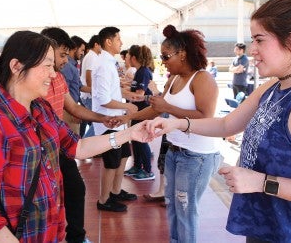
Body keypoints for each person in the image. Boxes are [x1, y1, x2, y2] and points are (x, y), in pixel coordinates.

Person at [146, 0, 291, 242]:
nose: (252, 49)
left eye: (259, 40)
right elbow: (226, 125)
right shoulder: (273, 86)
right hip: (266, 228)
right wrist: (177, 124)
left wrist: (261, 183)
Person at [0, 30, 152, 243]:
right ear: (16, 66)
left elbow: (78, 147)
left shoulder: (41, 109)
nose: (54, 73)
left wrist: (129, 133)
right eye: (47, 66)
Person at [121, 24, 221, 242]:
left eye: (166, 56)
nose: (163, 62)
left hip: (196, 156)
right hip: (175, 151)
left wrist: (167, 108)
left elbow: (206, 117)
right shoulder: (174, 79)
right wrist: (127, 118)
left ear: (182, 55)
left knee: (185, 210)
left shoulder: (203, 79)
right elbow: (158, 107)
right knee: (173, 206)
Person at [41, 27, 113, 243]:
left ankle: (76, 237)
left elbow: (73, 108)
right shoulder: (33, 82)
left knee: (75, 187)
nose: (65, 60)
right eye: (62, 55)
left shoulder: (60, 79)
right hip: (38, 149)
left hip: (57, 144)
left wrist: (102, 118)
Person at [93, 26, 139, 212]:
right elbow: (104, 99)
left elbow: (112, 90)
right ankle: (103, 200)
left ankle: (115, 190)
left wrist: (130, 96)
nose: (121, 42)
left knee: (124, 156)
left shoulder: (109, 62)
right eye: (118, 39)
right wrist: (127, 106)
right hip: (108, 122)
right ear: (108, 41)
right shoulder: (103, 64)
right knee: (112, 162)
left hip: (116, 120)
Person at [121, 45, 155, 181]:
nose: (126, 58)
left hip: (143, 110)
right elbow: (135, 89)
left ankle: (147, 170)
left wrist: (123, 93)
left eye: (128, 56)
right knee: (135, 139)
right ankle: (137, 166)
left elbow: (140, 94)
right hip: (137, 110)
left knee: (141, 140)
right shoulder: (139, 71)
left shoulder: (143, 72)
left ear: (133, 57)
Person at [61, 35, 87, 134]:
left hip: (72, 108)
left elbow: (79, 86)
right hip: (69, 110)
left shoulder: (73, 65)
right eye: (82, 50)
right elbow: (64, 92)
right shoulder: (68, 66)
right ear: (75, 48)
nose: (82, 53)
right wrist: (73, 111)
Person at [80, 34, 101, 138]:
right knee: (98, 123)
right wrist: (94, 92)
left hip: (89, 94)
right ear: (96, 44)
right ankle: (83, 146)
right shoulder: (92, 56)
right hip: (89, 95)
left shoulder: (93, 56)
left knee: (97, 123)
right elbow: (89, 76)